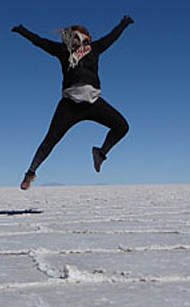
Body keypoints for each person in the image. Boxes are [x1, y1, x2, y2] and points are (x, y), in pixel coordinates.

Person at [12, 15, 134, 190]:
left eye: (80, 37)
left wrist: (123, 24)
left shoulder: (95, 49)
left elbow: (111, 37)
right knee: (50, 139)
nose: (77, 41)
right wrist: (23, 31)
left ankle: (100, 153)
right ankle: (30, 172)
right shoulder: (63, 51)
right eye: (73, 37)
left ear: (86, 38)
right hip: (69, 105)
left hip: (93, 102)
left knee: (122, 126)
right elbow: (40, 42)